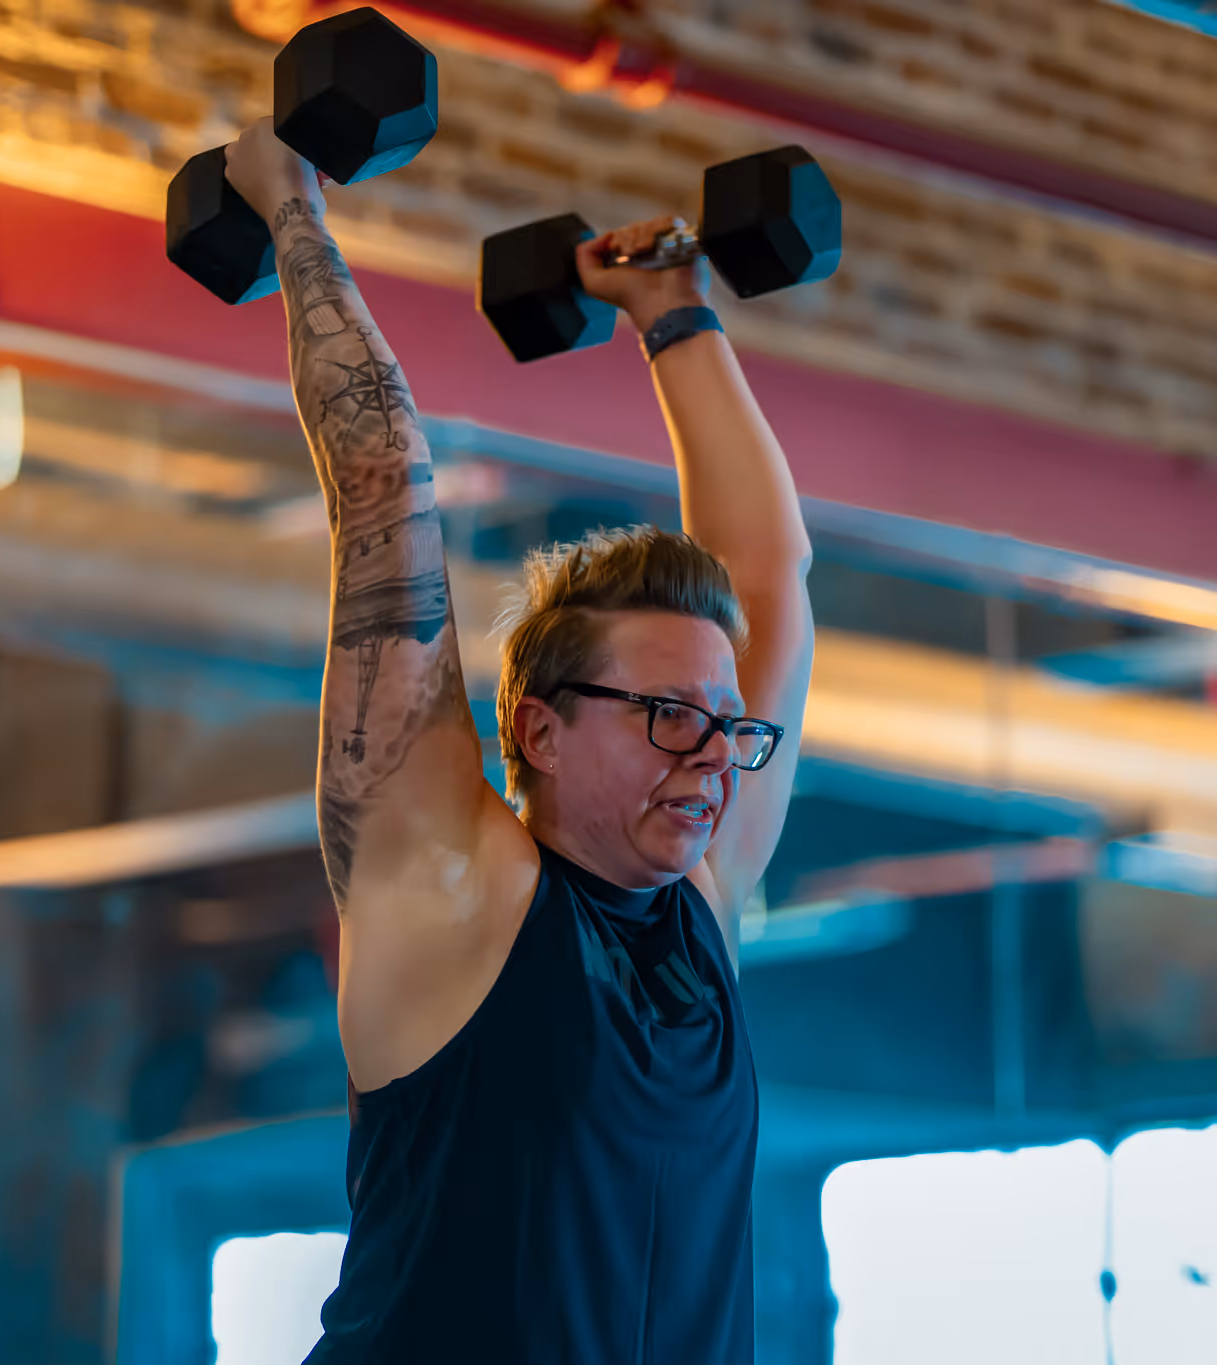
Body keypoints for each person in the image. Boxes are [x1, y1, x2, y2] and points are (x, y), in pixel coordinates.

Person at [224, 115, 814, 1364]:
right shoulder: (453, 887)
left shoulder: (698, 911)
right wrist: (290, 207)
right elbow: (383, 481)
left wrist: (672, 312)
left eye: (725, 726)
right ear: (537, 730)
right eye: (668, 718)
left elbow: (767, 565)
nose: (713, 757)